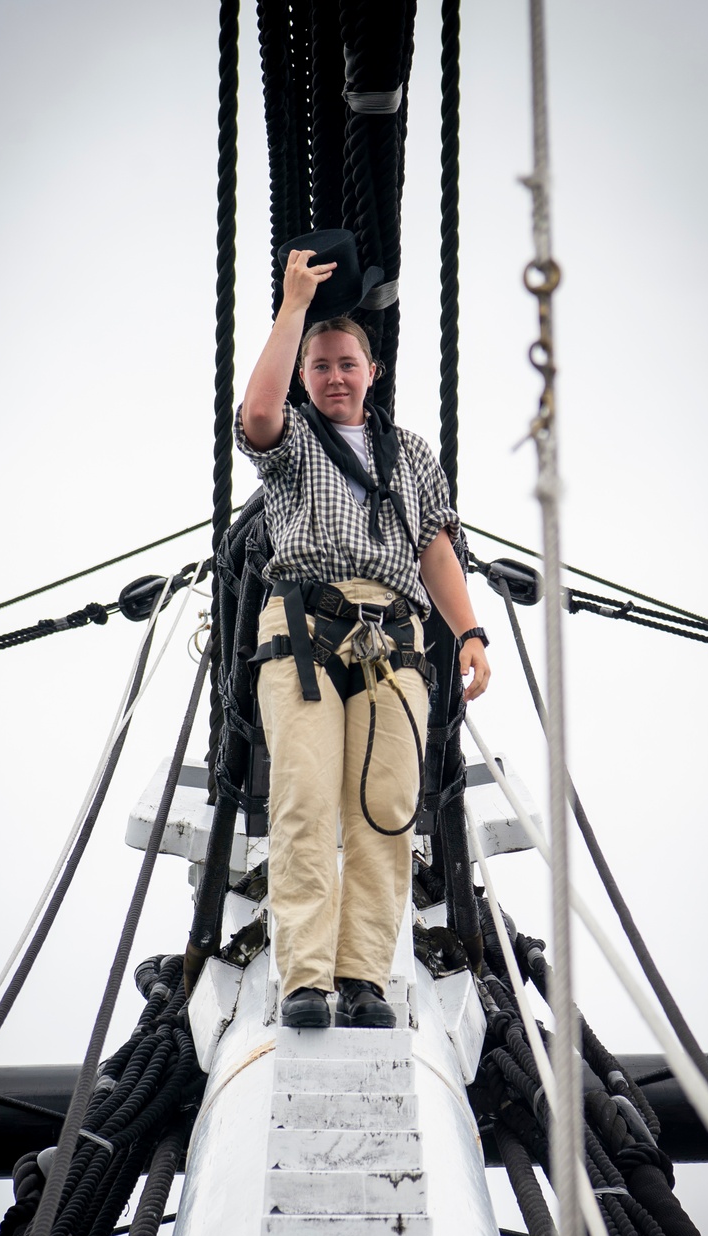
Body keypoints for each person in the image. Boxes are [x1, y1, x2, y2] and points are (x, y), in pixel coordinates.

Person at [236, 232, 489, 1030]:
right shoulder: (295, 444)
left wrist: (472, 632)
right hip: (307, 631)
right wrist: (295, 309)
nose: (336, 377)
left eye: (348, 364)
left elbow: (435, 546)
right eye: (321, 367)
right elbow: (258, 412)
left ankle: (364, 980)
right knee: (305, 797)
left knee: (387, 809)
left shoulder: (411, 455)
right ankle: (305, 978)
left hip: (396, 642)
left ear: (372, 373)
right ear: (307, 378)